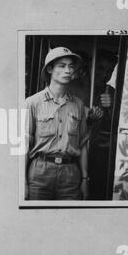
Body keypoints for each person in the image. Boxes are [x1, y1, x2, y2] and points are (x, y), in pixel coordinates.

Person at [25, 47, 89, 200]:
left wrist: (85, 179)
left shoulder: (78, 105)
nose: (68, 70)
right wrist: (23, 182)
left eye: (71, 66)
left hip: (71, 174)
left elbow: (83, 144)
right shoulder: (32, 103)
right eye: (62, 65)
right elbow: (24, 145)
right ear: (49, 69)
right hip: (40, 173)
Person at [88, 49, 117, 200]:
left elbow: (117, 123)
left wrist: (112, 106)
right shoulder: (82, 86)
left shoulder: (112, 92)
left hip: (101, 149)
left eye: (109, 70)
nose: (104, 74)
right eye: (100, 68)